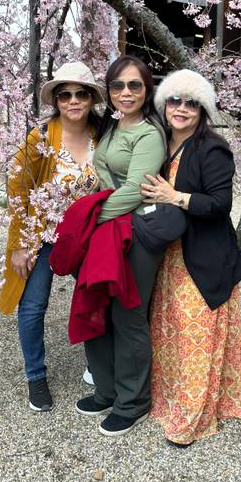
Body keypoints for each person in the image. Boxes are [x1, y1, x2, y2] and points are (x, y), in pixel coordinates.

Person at [140, 69, 241, 447]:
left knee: (194, 339)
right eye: (175, 100)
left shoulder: (212, 148)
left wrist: (176, 197)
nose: (182, 108)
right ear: (164, 104)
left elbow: (221, 205)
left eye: (192, 102)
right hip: (169, 255)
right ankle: (169, 402)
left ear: (202, 108)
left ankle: (191, 419)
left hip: (202, 256)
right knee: (169, 333)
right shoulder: (160, 143)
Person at [0, 61, 104, 411]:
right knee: (33, 305)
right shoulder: (41, 137)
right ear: (56, 100)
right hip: (43, 234)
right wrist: (20, 244)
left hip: (86, 235)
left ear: (91, 98)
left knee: (99, 296)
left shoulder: (102, 135)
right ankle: (35, 376)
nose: (73, 101)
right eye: (65, 95)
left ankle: (99, 366)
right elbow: (18, 187)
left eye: (81, 93)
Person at [75, 55, 167, 437]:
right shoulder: (112, 128)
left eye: (134, 85)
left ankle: (133, 401)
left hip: (135, 231)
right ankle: (106, 388)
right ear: (108, 92)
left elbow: (134, 190)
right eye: (117, 86)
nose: (125, 93)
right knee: (97, 301)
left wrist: (88, 219)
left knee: (128, 313)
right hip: (107, 231)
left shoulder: (148, 134)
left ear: (147, 90)